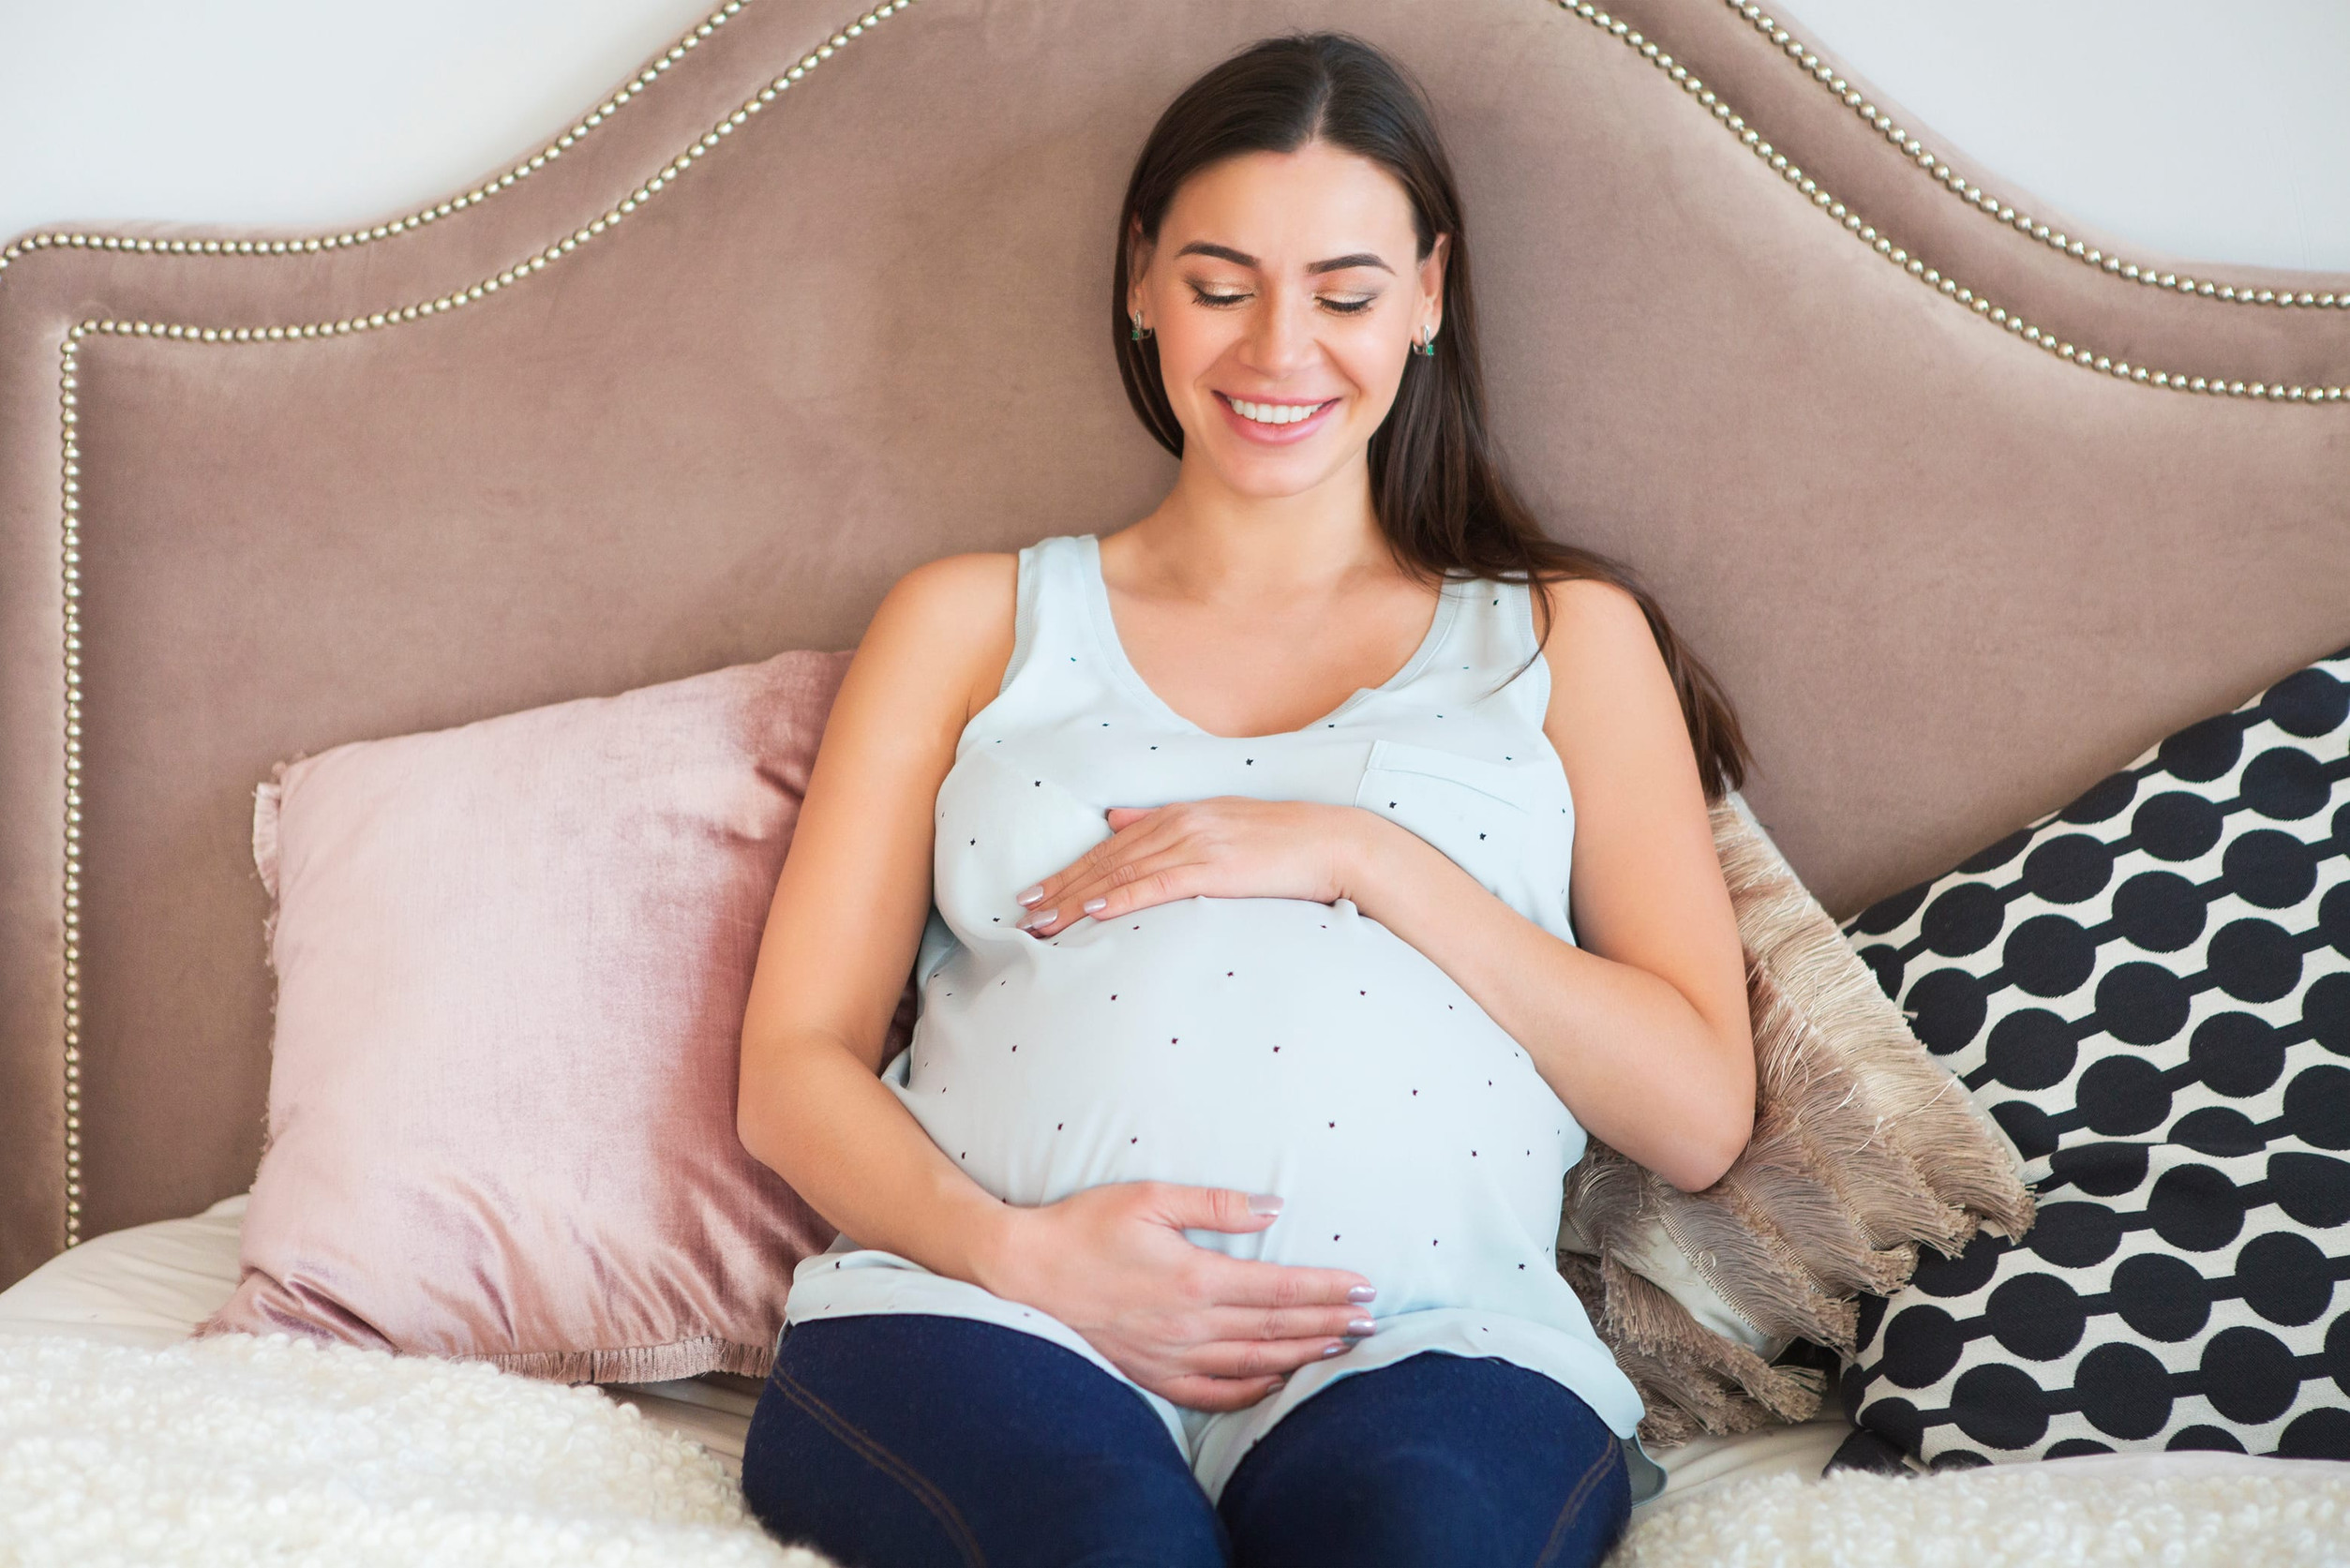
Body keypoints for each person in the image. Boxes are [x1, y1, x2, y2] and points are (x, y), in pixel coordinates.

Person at [733, 30, 1757, 1567]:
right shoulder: (969, 621)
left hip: (1433, 1345)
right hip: (984, 1317)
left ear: (1428, 294)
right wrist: (1022, 1256)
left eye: (1345, 294)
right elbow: (790, 1067)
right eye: (1222, 286)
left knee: (1417, 1540)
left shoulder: (1562, 636)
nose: (1281, 351)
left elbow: (1695, 1111)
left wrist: (1358, 853)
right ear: (1143, 282)